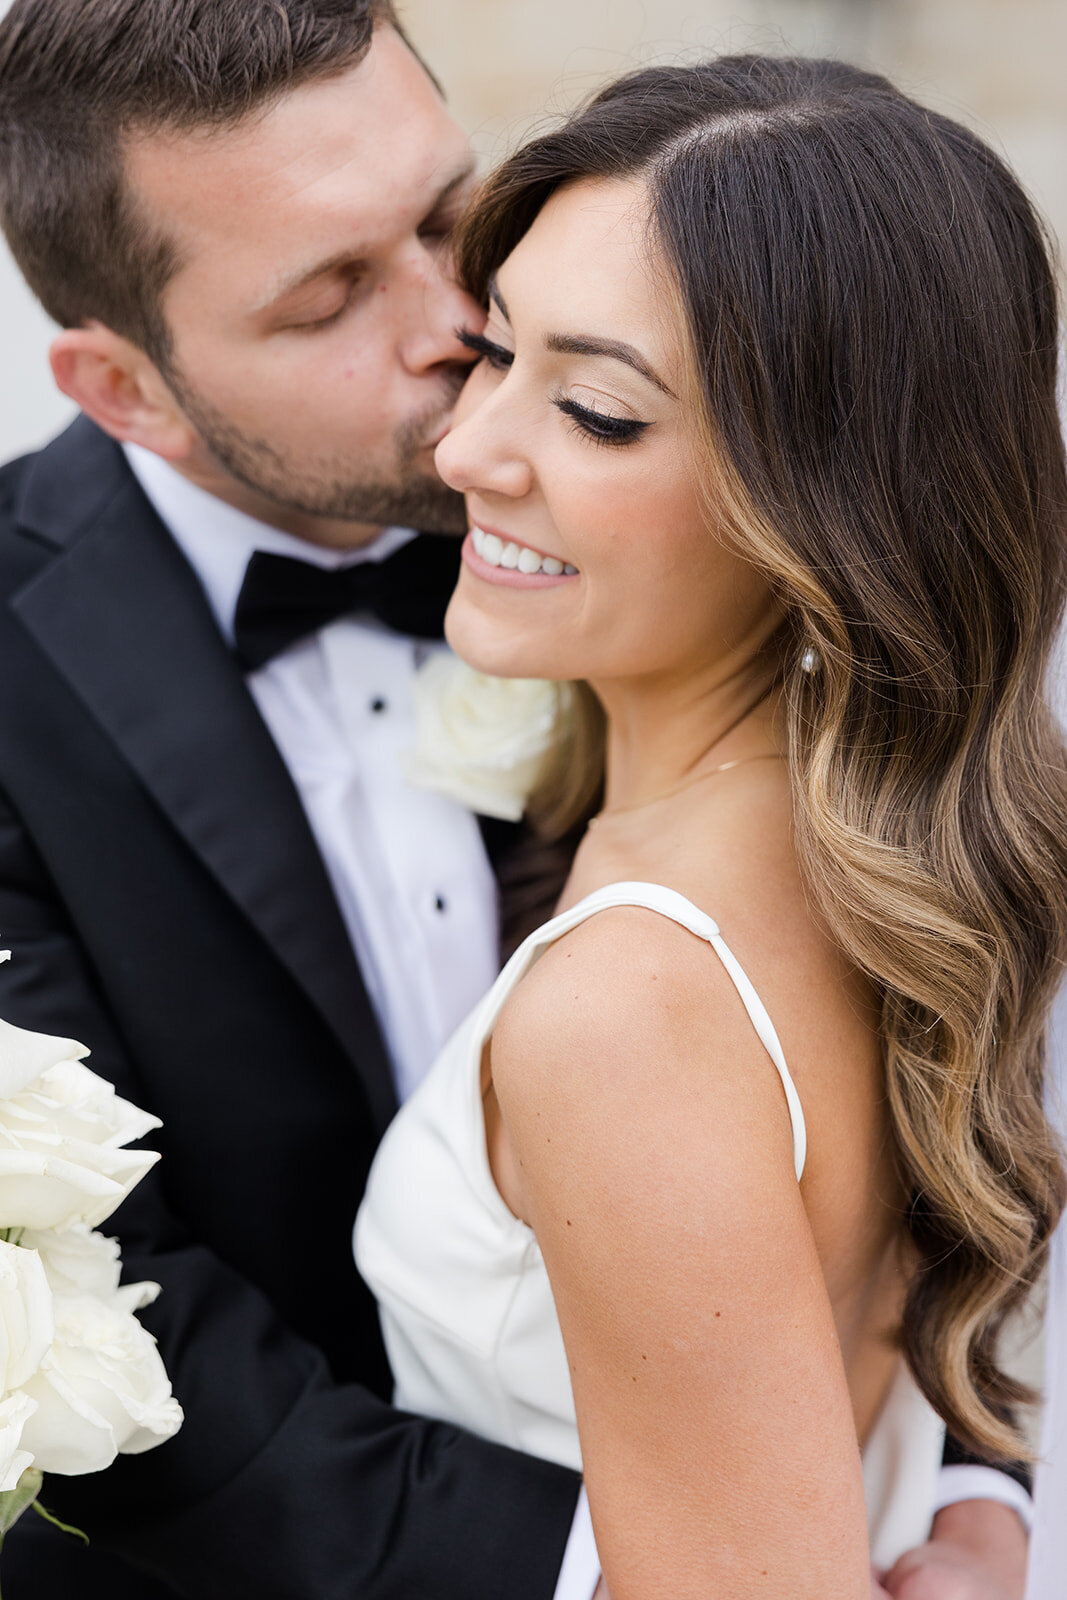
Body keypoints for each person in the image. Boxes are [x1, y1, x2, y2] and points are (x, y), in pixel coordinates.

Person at [0, 3, 1039, 1595]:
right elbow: (112, 1315)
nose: (453, 345)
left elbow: (948, 1104)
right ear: (121, 387)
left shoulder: (615, 535)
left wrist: (973, 1501)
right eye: (331, 294)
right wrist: (661, 1545)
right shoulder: (560, 502)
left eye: (442, 217)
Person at [353, 53, 1067, 1600]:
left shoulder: (627, 1013)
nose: (465, 450)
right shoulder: (893, 834)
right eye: (492, 352)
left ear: (826, 505)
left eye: (600, 412)